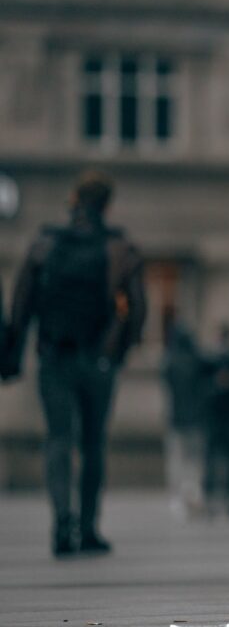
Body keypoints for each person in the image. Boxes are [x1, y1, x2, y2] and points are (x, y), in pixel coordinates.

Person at [4, 170, 146, 557]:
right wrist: (118, 352)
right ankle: (88, 528)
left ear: (74, 202)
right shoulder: (120, 248)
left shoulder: (45, 244)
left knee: (58, 440)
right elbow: (138, 307)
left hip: (54, 358)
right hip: (98, 361)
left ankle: (60, 523)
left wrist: (12, 355)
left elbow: (20, 305)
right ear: (107, 204)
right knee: (94, 443)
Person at [160, 317, 208, 521]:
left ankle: (178, 497)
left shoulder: (170, 362)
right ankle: (193, 492)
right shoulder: (197, 361)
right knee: (194, 460)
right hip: (196, 418)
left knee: (176, 460)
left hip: (176, 418)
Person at [202, 323, 229, 519]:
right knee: (212, 460)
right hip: (214, 418)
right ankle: (212, 499)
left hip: (228, 419)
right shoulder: (211, 362)